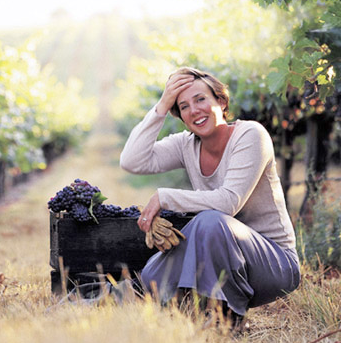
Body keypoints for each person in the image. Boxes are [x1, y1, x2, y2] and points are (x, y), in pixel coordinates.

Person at [120, 67, 301, 326]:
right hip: (222, 253)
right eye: (183, 106)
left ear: (222, 101)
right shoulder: (186, 145)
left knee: (210, 221)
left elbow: (228, 202)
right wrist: (162, 106)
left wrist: (165, 196)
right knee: (152, 276)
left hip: (274, 264)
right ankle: (190, 303)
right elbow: (131, 161)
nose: (194, 110)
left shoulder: (251, 135)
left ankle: (225, 319)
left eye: (201, 99)